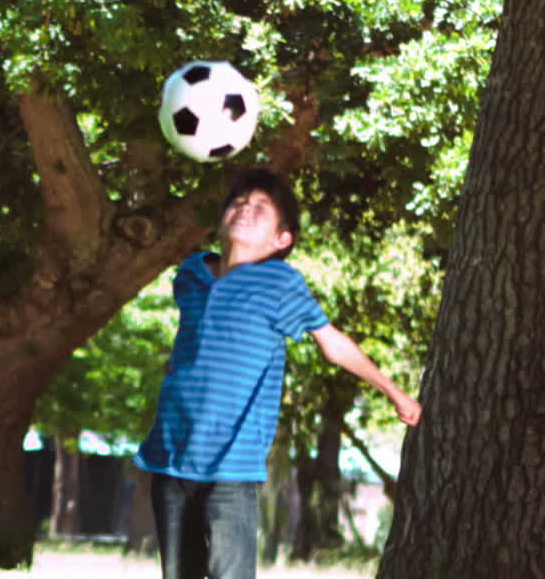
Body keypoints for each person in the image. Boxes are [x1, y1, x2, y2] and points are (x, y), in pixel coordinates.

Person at [134, 168, 421, 579]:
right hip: (171, 457)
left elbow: (333, 343)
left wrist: (395, 394)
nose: (245, 210)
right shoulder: (191, 274)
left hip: (231, 465)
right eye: (238, 203)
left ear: (281, 240)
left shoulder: (279, 282)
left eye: (261, 208)